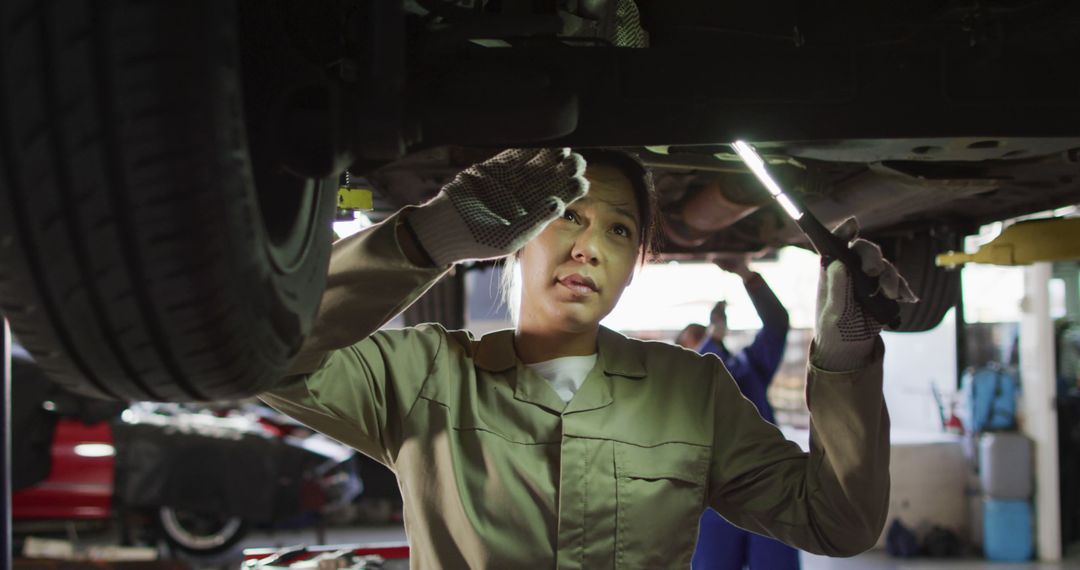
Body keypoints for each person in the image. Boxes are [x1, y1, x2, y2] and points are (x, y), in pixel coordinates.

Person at [259, 148, 915, 568]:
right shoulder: (424, 376)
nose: (589, 247)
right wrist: (429, 239)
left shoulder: (690, 391)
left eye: (620, 230)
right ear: (515, 239)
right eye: (567, 217)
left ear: (634, 266)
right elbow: (270, 356)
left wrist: (847, 355)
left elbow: (838, 523)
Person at [692, 257, 799, 570]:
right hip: (709, 502)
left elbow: (778, 323)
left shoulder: (749, 369)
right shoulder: (678, 382)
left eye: (703, 339)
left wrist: (746, 276)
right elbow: (702, 376)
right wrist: (711, 338)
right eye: (694, 345)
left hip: (767, 493)